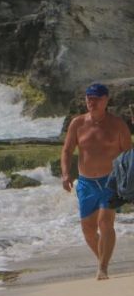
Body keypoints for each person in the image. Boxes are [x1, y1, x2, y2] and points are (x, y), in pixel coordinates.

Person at [60, 83, 132, 279]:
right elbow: (67, 151)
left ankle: (103, 268)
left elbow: (128, 156)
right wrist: (66, 174)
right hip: (86, 183)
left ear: (106, 100)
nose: (91, 102)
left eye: (96, 99)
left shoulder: (118, 125)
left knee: (105, 222)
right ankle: (102, 258)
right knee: (88, 230)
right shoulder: (78, 123)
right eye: (89, 98)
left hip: (111, 181)